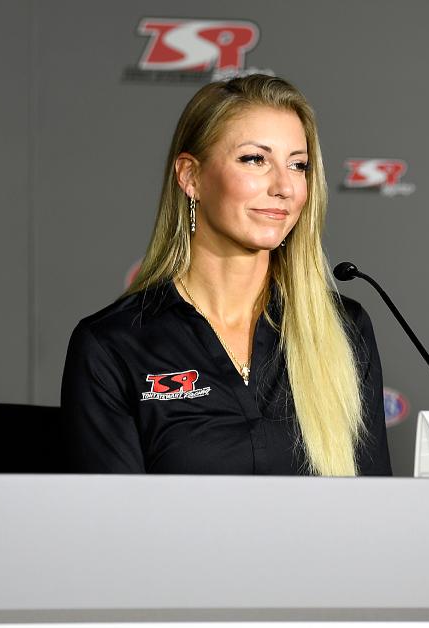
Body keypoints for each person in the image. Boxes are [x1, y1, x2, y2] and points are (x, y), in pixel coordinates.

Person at [61, 75, 391, 476]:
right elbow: (109, 527)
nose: (284, 186)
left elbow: (376, 513)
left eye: (297, 165)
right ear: (191, 177)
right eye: (255, 159)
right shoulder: (114, 345)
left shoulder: (345, 328)